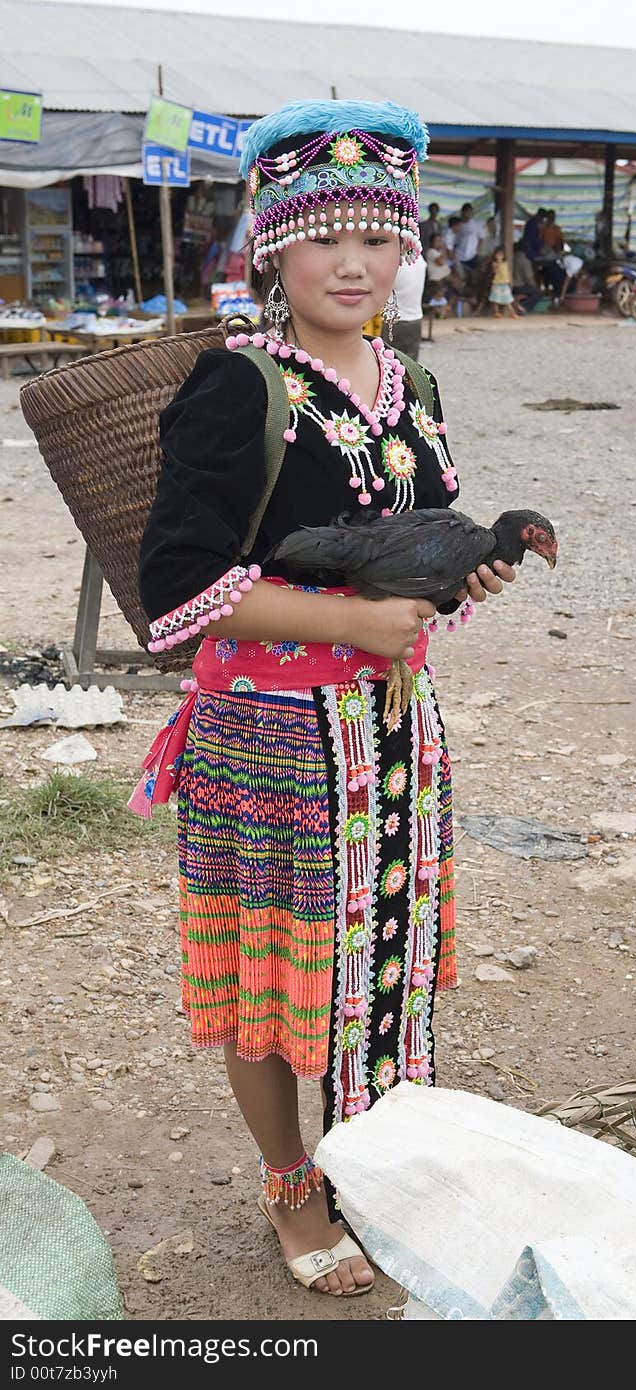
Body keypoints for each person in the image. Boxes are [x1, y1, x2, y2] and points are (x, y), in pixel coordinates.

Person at [135, 98, 515, 1300]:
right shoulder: (236, 388)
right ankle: (292, 1183)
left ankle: (378, 1162)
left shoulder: (419, 388)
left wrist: (457, 575)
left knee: (381, 956)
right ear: (270, 246)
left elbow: (409, 552)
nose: (352, 264)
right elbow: (174, 588)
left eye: (377, 236)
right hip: (269, 744)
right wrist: (351, 623)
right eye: (322, 237)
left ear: (406, 245)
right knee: (273, 974)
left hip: (396, 734)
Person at [383, 251, 427, 360]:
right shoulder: (419, 258)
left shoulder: (394, 261)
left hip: (393, 320)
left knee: (389, 365)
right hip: (415, 319)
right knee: (411, 366)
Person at [487, 246, 518, 318]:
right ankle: (496, 312)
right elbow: (496, 271)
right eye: (498, 255)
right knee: (495, 299)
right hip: (497, 283)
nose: (499, 256)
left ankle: (512, 313)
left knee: (508, 299)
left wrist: (510, 280)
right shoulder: (494, 263)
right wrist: (498, 262)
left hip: (504, 283)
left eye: (501, 255)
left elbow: (508, 272)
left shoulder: (505, 263)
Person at [512, 238, 542, 312]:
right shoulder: (525, 261)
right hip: (518, 287)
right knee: (537, 293)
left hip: (511, 285)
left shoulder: (511, 258)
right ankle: (522, 306)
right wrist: (534, 285)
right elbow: (529, 279)